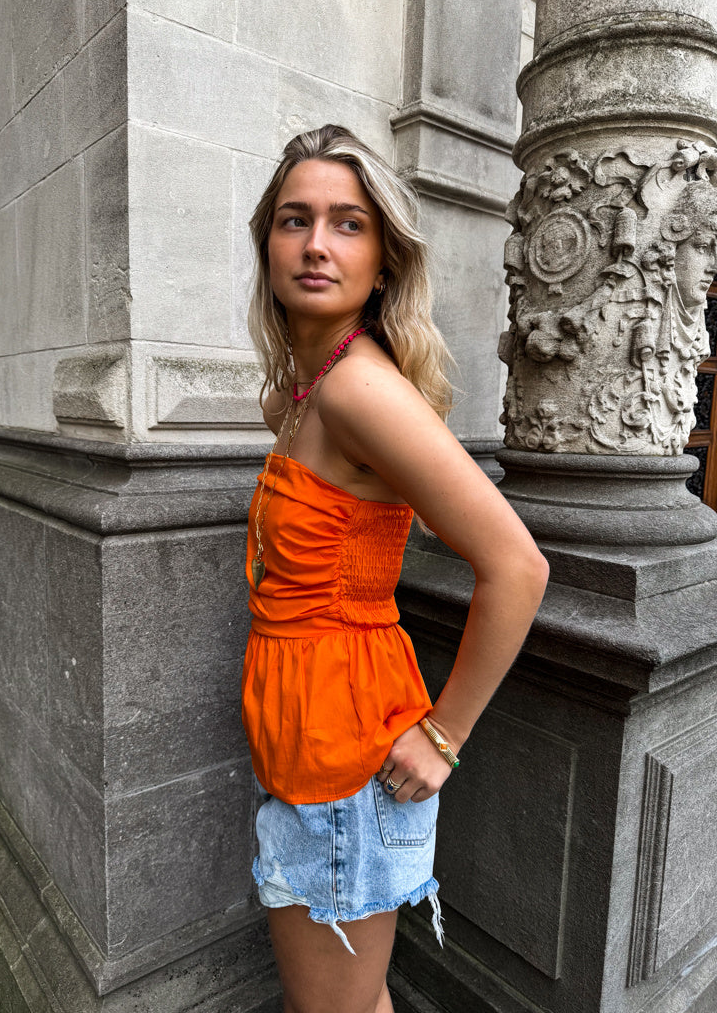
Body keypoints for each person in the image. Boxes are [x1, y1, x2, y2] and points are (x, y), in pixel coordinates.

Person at [241, 124, 549, 1013]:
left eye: (348, 224)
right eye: (295, 220)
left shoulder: (356, 390)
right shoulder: (300, 389)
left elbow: (516, 567)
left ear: (382, 261)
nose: (316, 244)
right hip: (313, 746)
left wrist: (444, 735)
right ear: (267, 246)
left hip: (348, 761)